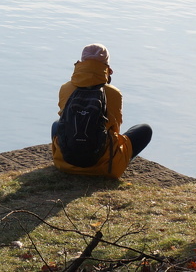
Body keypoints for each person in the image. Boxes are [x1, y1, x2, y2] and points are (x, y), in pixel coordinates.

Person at [50, 43, 152, 179]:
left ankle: (64, 160)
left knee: (57, 123)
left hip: (65, 164)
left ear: (80, 63)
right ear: (107, 67)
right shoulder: (113, 93)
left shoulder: (65, 88)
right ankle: (121, 161)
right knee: (145, 129)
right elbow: (115, 130)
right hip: (105, 167)